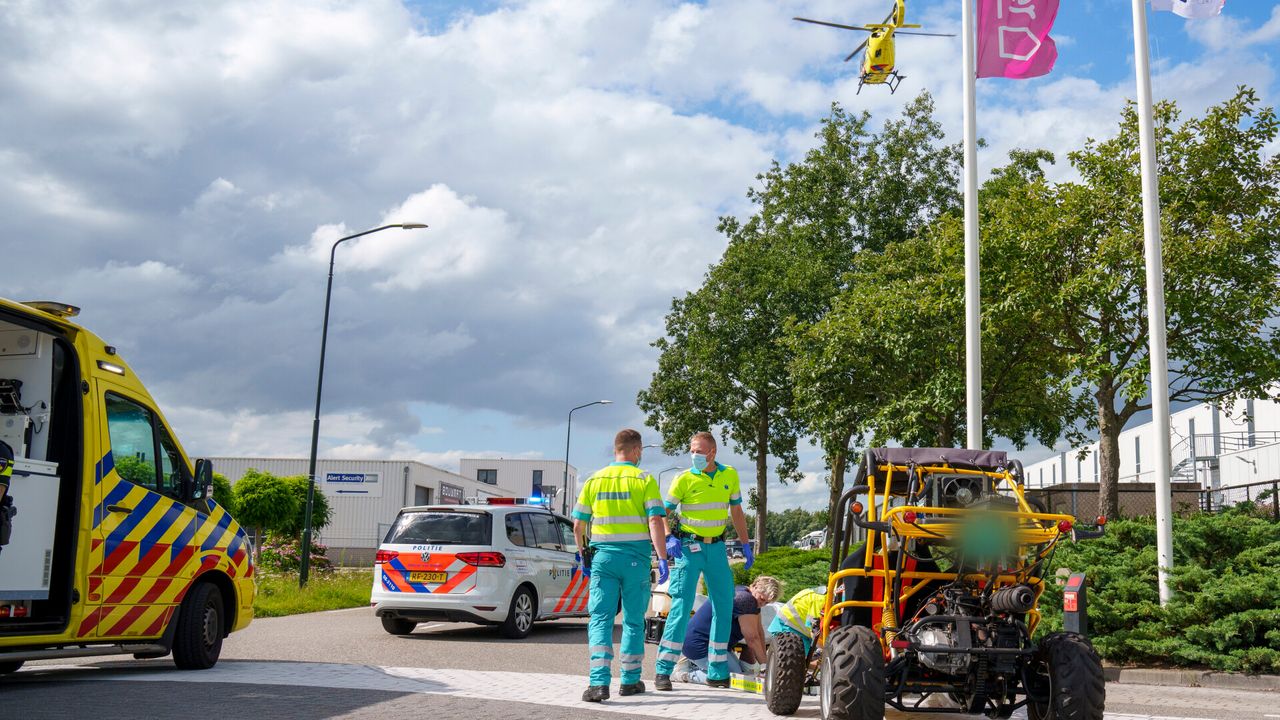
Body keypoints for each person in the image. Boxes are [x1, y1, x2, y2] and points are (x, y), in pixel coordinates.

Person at [572, 428, 670, 703]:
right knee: (633, 620)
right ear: (637, 450)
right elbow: (654, 521)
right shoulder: (644, 479)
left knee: (601, 618)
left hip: (603, 559)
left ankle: (598, 684)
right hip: (636, 560)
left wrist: (582, 555)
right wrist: (662, 558)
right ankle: (629, 680)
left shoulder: (595, 479)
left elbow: (578, 524)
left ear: (616, 449)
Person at [655, 431, 754, 690]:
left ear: (713, 452)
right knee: (680, 607)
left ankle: (716, 670)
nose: (694, 455)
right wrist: (668, 537)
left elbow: (737, 511)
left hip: (718, 549)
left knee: (724, 607)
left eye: (699, 450)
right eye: (692, 450)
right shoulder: (684, 479)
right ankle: (663, 670)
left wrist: (745, 543)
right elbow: (662, 512)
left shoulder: (729, 475)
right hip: (689, 548)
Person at [673, 575, 780, 684]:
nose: (762, 604)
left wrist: (765, 664)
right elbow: (752, 638)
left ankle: (694, 663)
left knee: (739, 673)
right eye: (762, 599)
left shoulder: (747, 595)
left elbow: (759, 632)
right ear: (756, 586)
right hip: (699, 645)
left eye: (766, 603)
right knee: (732, 678)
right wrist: (765, 668)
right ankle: (684, 674)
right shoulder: (746, 600)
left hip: (706, 643)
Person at [768, 585, 828, 654]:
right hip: (787, 627)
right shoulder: (820, 599)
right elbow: (814, 629)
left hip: (802, 632)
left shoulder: (825, 597)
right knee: (792, 661)